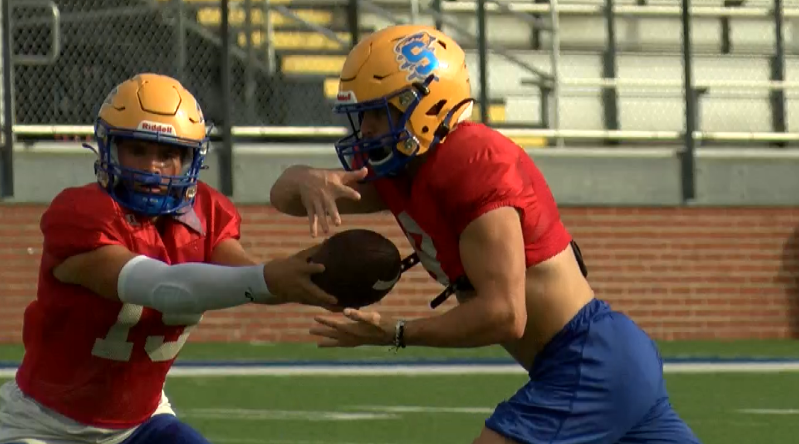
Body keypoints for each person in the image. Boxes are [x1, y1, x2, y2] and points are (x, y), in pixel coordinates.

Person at [269, 25, 702, 444]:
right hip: (598, 359)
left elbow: (505, 314)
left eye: (377, 116)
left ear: (426, 106)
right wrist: (303, 176)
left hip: (588, 359)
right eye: (361, 118)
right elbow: (285, 197)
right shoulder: (406, 169)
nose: (364, 133)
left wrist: (397, 332)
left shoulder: (471, 161)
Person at [0, 73, 338, 444]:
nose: (153, 167)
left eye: (168, 154)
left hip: (141, 424)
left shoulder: (207, 212)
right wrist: (269, 279)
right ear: (109, 149)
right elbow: (164, 288)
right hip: (44, 425)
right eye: (138, 150)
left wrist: (322, 272)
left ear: (191, 159)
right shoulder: (80, 214)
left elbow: (251, 279)